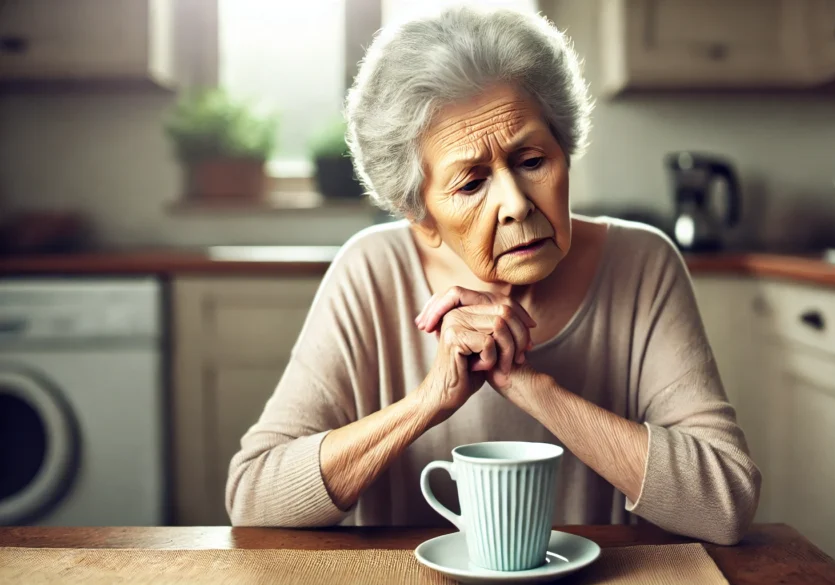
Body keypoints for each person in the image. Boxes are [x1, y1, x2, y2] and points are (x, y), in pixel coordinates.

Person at [226, 6, 760, 545]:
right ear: (423, 217)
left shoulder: (643, 263)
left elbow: (725, 504)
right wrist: (428, 402)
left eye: (531, 160)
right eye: (471, 183)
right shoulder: (370, 271)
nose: (515, 204)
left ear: (564, 153)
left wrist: (529, 387)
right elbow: (254, 496)